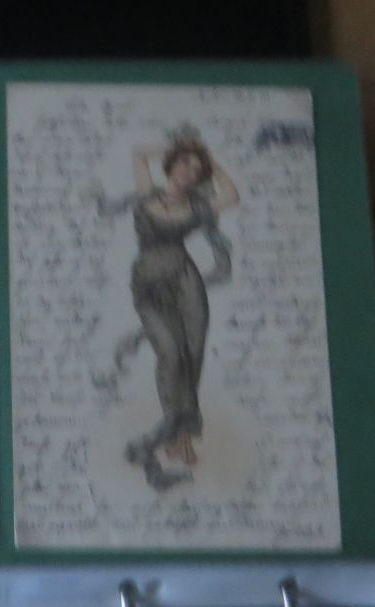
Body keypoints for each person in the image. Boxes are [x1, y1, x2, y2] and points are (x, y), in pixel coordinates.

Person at [97, 127, 240, 491]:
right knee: (171, 355)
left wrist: (210, 160)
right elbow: (138, 154)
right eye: (184, 164)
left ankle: (181, 439)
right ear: (171, 164)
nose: (189, 172)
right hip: (149, 286)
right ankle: (174, 433)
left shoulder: (198, 207)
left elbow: (232, 195)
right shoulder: (148, 192)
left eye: (196, 170)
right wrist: (184, 146)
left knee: (191, 358)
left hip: (187, 285)